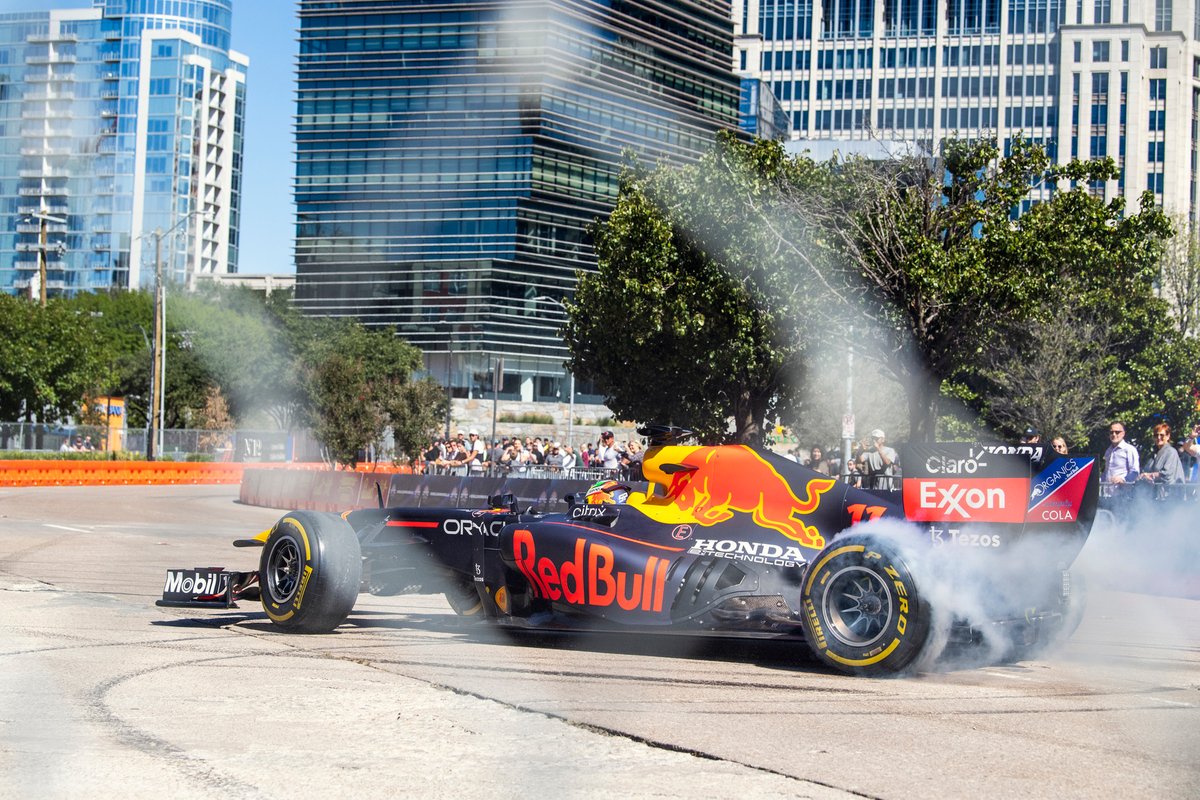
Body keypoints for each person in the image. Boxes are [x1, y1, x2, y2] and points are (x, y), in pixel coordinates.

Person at [1138, 423, 1185, 496]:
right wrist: (1144, 476)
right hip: (1156, 496)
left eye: (1162, 435)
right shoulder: (1153, 453)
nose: (1158, 437)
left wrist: (1150, 475)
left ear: (1168, 436)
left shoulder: (1171, 452)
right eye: (1156, 435)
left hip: (1170, 497)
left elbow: (1167, 474)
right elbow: (1146, 470)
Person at [1103, 420, 1139, 487]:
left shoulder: (1130, 450)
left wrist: (1123, 479)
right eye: (1111, 432)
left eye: (1117, 432)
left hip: (1123, 494)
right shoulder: (1108, 451)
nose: (1114, 434)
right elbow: (1106, 472)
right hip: (1107, 494)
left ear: (1123, 434)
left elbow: (1135, 472)